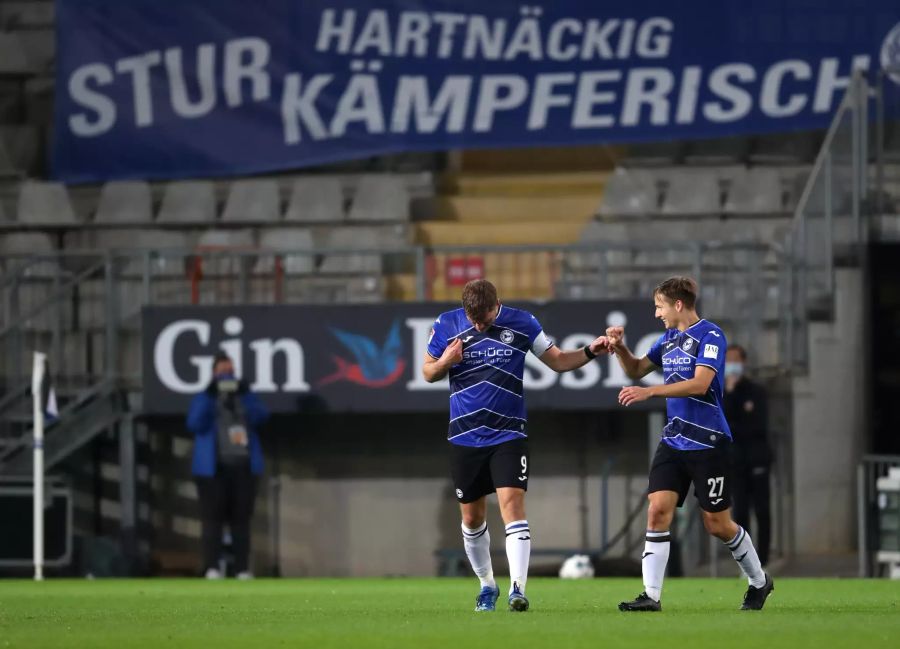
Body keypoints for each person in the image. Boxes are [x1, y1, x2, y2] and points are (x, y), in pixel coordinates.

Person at [423, 279, 610, 612]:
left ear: (498, 303)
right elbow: (427, 373)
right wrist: (445, 362)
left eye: (486, 318)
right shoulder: (446, 324)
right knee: (471, 518)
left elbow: (557, 361)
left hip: (508, 434)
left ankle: (517, 590)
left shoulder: (522, 322)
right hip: (464, 435)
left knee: (513, 506)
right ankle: (486, 586)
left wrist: (589, 352)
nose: (480, 325)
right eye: (474, 320)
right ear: (465, 311)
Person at [606, 276, 774, 611]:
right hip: (674, 441)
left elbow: (700, 384)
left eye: (659, 306)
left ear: (678, 304)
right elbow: (637, 369)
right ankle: (651, 596)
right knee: (657, 511)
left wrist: (651, 391)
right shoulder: (668, 339)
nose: (657, 314)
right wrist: (621, 349)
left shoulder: (711, 335)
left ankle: (759, 581)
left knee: (717, 524)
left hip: (708, 442)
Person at [186, 352, 269, 579]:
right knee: (213, 520)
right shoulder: (205, 397)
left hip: (243, 467)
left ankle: (242, 568)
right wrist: (209, 395)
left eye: (230, 371)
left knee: (241, 520)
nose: (227, 376)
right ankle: (212, 567)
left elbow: (262, 417)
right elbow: (194, 423)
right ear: (213, 373)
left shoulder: (244, 398)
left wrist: (246, 394)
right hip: (214, 470)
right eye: (222, 371)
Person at [724, 345, 772, 566]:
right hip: (735, 461)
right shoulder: (723, 393)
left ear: (743, 362)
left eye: (735, 360)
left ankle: (763, 560)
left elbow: (758, 426)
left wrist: (737, 425)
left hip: (757, 459)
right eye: (728, 360)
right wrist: (731, 395)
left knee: (762, 510)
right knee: (740, 512)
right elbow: (724, 424)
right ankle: (747, 561)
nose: (731, 365)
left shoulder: (756, 391)